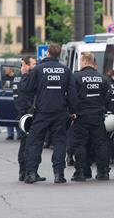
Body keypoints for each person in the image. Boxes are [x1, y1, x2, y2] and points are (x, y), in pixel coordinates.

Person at [21, 43, 77, 184]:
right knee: (59, 142)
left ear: (47, 53)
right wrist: (73, 111)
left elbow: (26, 89)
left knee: (34, 142)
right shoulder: (66, 70)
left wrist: (25, 76)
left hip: (42, 112)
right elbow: (72, 94)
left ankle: (32, 173)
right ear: (59, 54)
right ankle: (59, 174)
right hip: (60, 112)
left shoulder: (38, 69)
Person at [71, 52, 110, 181]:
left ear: (85, 62)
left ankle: (81, 172)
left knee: (80, 144)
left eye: (81, 62)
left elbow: (72, 97)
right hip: (98, 116)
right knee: (101, 144)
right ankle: (103, 172)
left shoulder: (76, 77)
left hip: (81, 116)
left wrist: (73, 112)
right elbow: (107, 96)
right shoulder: (102, 78)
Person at [12, 55, 44, 182]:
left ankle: (27, 172)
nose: (35, 66)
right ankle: (27, 172)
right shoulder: (25, 78)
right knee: (28, 144)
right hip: (27, 115)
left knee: (26, 144)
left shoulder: (19, 78)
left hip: (24, 114)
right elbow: (24, 99)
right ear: (25, 65)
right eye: (33, 63)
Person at [3, 67, 21, 140]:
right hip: (8, 98)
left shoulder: (17, 78)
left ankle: (19, 134)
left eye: (6, 69)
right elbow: (3, 87)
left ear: (11, 69)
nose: (5, 71)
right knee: (9, 115)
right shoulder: (4, 78)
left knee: (17, 116)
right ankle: (10, 134)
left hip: (16, 98)